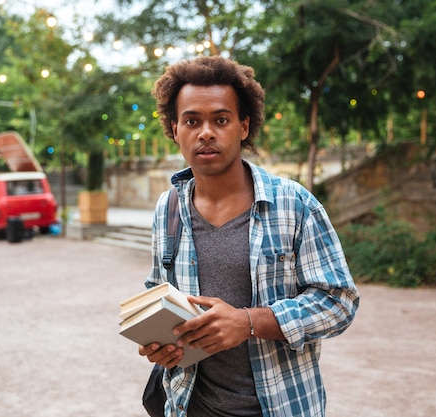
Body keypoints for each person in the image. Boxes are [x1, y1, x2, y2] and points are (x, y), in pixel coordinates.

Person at [141, 55, 360, 417]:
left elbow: (339, 302)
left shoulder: (294, 204)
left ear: (244, 126)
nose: (206, 132)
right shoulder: (169, 208)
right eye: (191, 121)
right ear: (174, 130)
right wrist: (160, 342)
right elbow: (158, 291)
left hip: (281, 406)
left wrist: (248, 323)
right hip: (189, 405)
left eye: (221, 119)